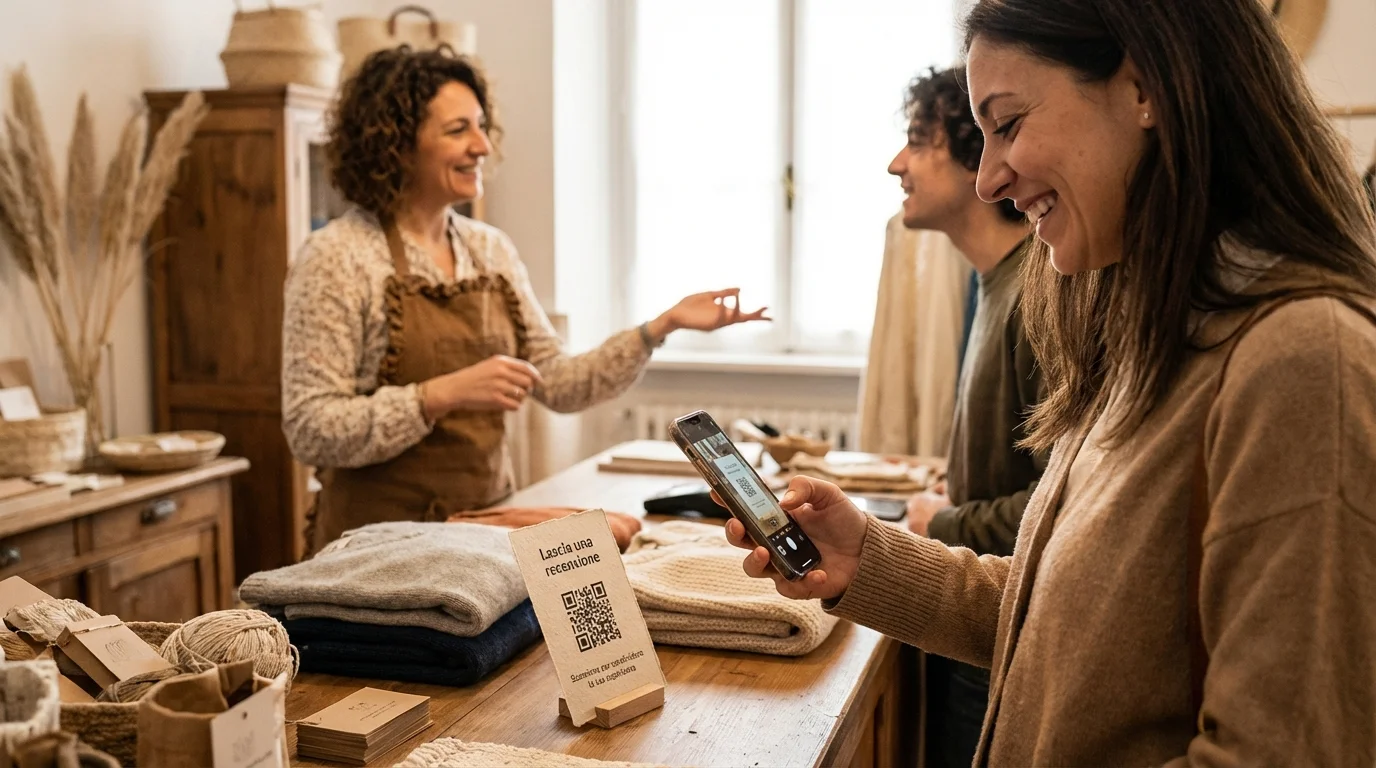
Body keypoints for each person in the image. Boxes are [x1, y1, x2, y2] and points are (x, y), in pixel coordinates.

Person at [724, 0, 1376, 764]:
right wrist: (869, 557)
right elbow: (1073, 627)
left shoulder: (1303, 360)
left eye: (1008, 123)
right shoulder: (1147, 339)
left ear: (1144, 90)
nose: (992, 178)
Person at [283, 46, 768, 554]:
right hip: (371, 549)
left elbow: (560, 384)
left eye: (482, 126)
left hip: (484, 533)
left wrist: (659, 327)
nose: (482, 146)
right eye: (457, 131)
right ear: (397, 146)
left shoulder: (490, 250)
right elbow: (311, 428)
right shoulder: (335, 257)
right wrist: (439, 395)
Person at [885, 66, 1043, 768]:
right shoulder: (993, 286)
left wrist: (938, 521)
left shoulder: (1038, 296)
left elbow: (1059, 503)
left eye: (919, 142)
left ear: (978, 155)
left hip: (999, 647)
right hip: (979, 626)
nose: (897, 164)